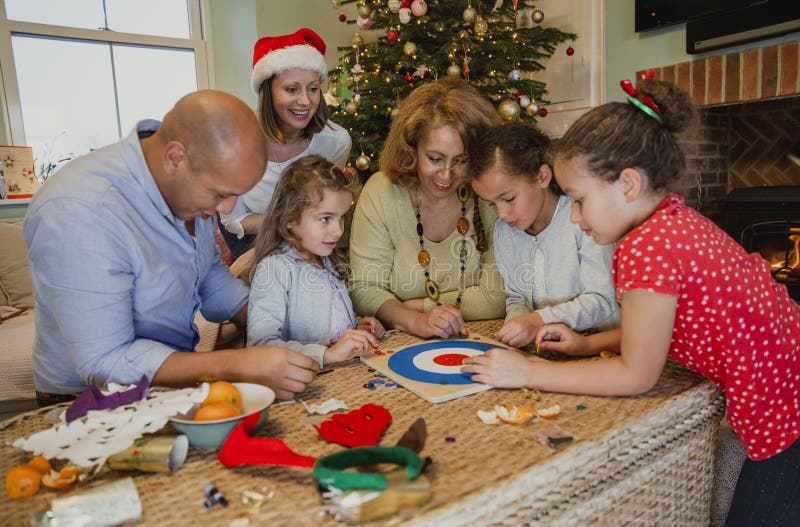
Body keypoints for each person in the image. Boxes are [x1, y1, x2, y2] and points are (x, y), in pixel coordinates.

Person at [461, 77, 800, 526]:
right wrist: (588, 344)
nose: (575, 217)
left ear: (628, 184)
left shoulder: (644, 248)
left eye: (579, 200)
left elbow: (639, 374)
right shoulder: (673, 220)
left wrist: (527, 372)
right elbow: (662, 325)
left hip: (786, 402)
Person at [24, 90, 320, 404]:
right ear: (175, 157)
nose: (225, 208)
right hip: (84, 401)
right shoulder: (79, 210)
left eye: (236, 194)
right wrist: (237, 364)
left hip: (164, 388)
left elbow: (209, 277)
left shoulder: (189, 188)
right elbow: (106, 360)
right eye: (220, 193)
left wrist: (280, 323)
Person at [349, 77, 506, 338]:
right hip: (398, 339)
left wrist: (419, 306)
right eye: (434, 159)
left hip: (481, 337)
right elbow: (364, 288)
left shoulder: (488, 195)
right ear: (411, 149)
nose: (446, 175)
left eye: (461, 160)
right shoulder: (381, 192)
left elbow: (495, 298)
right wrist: (414, 321)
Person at [468, 122, 619, 347]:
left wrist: (537, 320)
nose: (501, 213)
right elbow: (517, 297)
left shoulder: (582, 220)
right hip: (549, 348)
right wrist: (517, 324)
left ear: (542, 177)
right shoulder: (504, 231)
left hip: (603, 348)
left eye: (509, 199)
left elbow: (601, 300)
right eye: (491, 204)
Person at [219, 27, 352, 259]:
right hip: (254, 238)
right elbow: (234, 221)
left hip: (309, 238)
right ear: (267, 92)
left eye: (313, 89)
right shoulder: (234, 145)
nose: (305, 101)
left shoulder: (335, 142)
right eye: (292, 89)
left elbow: (328, 207)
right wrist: (290, 224)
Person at [247, 155, 385, 367]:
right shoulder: (275, 268)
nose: (338, 230)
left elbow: (328, 325)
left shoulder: (327, 260)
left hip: (345, 377)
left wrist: (356, 328)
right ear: (290, 219)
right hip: (307, 384)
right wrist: (325, 354)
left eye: (342, 217)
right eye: (325, 218)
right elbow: (261, 347)